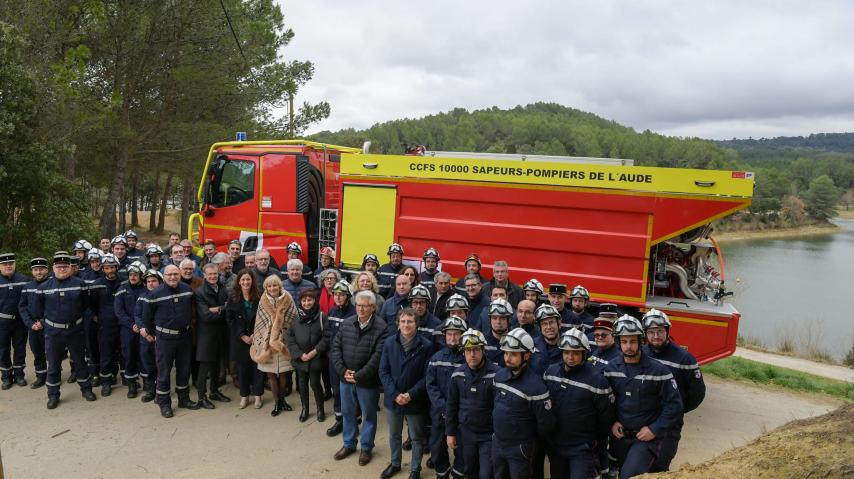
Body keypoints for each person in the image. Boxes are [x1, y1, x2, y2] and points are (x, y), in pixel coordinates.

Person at [604, 315, 683, 478]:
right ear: (618, 343)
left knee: (629, 475)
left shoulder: (659, 372)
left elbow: (674, 406)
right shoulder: (610, 369)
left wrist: (655, 429)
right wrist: (612, 422)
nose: (629, 347)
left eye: (633, 341)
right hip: (620, 437)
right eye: (624, 342)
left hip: (646, 439)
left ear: (641, 341)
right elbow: (605, 401)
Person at [543, 329, 615, 479]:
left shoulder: (597, 381)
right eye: (566, 352)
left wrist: (596, 447)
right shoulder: (551, 372)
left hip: (582, 449)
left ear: (585, 354)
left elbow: (605, 418)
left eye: (575, 353)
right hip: (557, 446)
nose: (570, 357)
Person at [331, 290, 388, 467]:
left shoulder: (381, 327)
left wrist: (359, 375)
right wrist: (343, 371)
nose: (361, 309)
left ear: (373, 307)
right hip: (345, 380)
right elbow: (336, 349)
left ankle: (366, 448)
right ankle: (348, 444)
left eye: (365, 306)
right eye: (358, 305)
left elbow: (378, 357)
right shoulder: (347, 323)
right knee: (348, 413)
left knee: (368, 416)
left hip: (367, 382)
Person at [643, 308, 706, 465]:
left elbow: (697, 394)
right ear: (645, 333)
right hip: (644, 421)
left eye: (660, 331)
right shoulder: (642, 354)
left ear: (667, 331)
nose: (656, 336)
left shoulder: (684, 358)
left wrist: (676, 409)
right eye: (651, 332)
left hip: (669, 426)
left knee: (659, 466)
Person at [34, 252, 97, 408]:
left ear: (70, 267)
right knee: (54, 364)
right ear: (53, 268)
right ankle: (53, 395)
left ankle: (86, 389)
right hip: (53, 332)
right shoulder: (43, 287)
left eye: (65, 266)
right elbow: (39, 309)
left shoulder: (80, 284)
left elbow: (85, 305)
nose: (62, 269)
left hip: (75, 330)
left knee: (80, 361)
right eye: (59, 266)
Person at [492, 328, 554, 479]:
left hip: (520, 448)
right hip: (498, 443)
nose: (507, 358)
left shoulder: (536, 387)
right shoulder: (499, 376)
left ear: (526, 355)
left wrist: (529, 442)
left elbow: (545, 424)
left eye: (513, 354)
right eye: (506, 353)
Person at [140, 264, 200, 418]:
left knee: (184, 369)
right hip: (165, 339)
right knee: (164, 372)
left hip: (184, 336)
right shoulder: (154, 294)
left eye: (175, 274)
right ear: (164, 276)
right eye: (169, 275)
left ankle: (183, 399)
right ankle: (164, 403)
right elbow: (146, 319)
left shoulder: (187, 289)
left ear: (180, 274)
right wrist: (155, 333)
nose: (173, 277)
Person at [379, 307, 433, 479]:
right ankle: (395, 463)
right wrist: (395, 394)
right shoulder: (389, 343)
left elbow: (427, 376)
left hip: (415, 401)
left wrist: (410, 395)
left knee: (417, 437)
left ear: (416, 324)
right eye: (403, 321)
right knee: (394, 435)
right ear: (398, 324)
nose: (406, 324)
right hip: (393, 399)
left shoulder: (426, 346)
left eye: (410, 321)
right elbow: (383, 371)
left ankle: (415, 469)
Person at [446, 328, 498, 479]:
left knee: (487, 474)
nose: (472, 354)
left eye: (476, 349)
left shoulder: (496, 374)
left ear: (483, 350)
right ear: (463, 352)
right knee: (469, 471)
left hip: (489, 436)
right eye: (468, 350)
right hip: (466, 434)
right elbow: (451, 405)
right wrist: (450, 433)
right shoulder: (457, 375)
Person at [426, 316, 468, 479]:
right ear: (444, 336)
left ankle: (458, 473)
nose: (452, 338)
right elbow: (431, 385)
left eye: (456, 334)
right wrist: (444, 408)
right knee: (436, 446)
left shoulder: (468, 359)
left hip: (462, 414)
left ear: (462, 335)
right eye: (449, 334)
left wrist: (456, 410)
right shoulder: (436, 359)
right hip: (439, 413)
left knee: (463, 448)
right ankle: (442, 473)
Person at [252, 274, 297, 415]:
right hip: (268, 344)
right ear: (266, 287)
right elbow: (260, 322)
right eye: (269, 286)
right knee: (271, 375)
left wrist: (282, 331)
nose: (272, 288)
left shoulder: (288, 299)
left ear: (279, 286)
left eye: (275, 285)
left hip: (283, 343)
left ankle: (283, 401)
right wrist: (268, 336)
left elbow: (293, 319)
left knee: (283, 373)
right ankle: (277, 403)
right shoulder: (263, 301)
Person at [226, 269, 265, 409]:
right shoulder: (233, 297)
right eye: (243, 280)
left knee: (258, 368)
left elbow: (264, 317)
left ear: (252, 280)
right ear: (239, 282)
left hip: (257, 338)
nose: (245, 282)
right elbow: (230, 319)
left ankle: (258, 396)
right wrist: (242, 335)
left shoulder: (260, 296)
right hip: (240, 339)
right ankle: (244, 396)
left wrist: (255, 334)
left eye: (248, 279)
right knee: (242, 369)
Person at [288, 289, 328, 422]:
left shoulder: (322, 316)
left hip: (315, 357)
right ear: (300, 302)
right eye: (304, 300)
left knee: (316, 384)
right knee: (302, 385)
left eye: (309, 300)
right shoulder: (296, 318)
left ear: (314, 300)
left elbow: (327, 337)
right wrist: (300, 354)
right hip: (301, 359)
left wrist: (315, 351)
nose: (307, 303)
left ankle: (320, 409)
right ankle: (305, 408)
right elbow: (291, 338)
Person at [194, 263, 231, 409]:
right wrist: (223, 309)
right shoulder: (200, 292)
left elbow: (230, 308)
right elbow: (206, 316)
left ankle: (214, 392)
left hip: (221, 333)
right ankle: (201, 397)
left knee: (217, 365)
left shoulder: (222, 288)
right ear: (204, 275)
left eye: (215, 274)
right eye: (209, 274)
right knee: (205, 367)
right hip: (207, 336)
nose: (213, 276)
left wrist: (218, 309)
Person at [89, 254, 125, 396]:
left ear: (117, 267)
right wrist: (98, 317)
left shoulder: (124, 282)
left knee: (124, 353)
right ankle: (106, 382)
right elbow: (92, 305)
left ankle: (126, 378)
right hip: (105, 325)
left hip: (122, 324)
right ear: (103, 269)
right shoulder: (96, 284)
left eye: (112, 267)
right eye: (107, 268)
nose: (110, 270)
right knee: (106, 354)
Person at [325, 279, 354, 436]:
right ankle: (339, 420)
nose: (338, 297)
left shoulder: (355, 313)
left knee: (350, 393)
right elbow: (329, 335)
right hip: (334, 360)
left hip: (349, 360)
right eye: (336, 294)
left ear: (348, 296)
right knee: (336, 390)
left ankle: (353, 421)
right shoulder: (332, 312)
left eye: (342, 295)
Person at [114, 260, 147, 399]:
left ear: (141, 275)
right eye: (130, 274)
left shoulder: (146, 289)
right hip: (128, 329)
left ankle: (147, 381)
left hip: (144, 328)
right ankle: (132, 383)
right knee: (129, 355)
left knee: (145, 355)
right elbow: (118, 311)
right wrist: (131, 324)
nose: (132, 277)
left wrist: (142, 325)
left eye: (136, 274)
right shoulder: (122, 289)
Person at [18, 257, 50, 389]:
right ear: (32, 271)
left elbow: (55, 308)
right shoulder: (27, 287)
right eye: (36, 270)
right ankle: (41, 377)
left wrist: (43, 322)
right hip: (33, 327)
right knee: (38, 352)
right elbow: (22, 307)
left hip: (49, 326)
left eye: (41, 269)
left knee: (52, 353)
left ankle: (54, 375)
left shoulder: (52, 284)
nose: (39, 272)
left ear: (47, 270)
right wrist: (30, 324)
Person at [0, 252, 29, 389]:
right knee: (3, 349)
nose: (8, 266)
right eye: (5, 264)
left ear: (15, 264)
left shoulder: (24, 279)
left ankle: (19, 375)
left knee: (20, 348)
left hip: (20, 322)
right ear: (0, 266)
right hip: (1, 322)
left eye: (10, 264)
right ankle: (6, 377)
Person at [135, 269, 162, 403]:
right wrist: (143, 330)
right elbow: (138, 315)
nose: (151, 284)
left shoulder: (164, 295)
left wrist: (157, 334)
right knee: (148, 364)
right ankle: (151, 390)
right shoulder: (142, 297)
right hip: (145, 336)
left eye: (154, 281)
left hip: (161, 337)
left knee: (161, 365)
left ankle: (161, 392)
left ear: (160, 281)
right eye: (148, 281)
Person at [532, 304, 563, 375]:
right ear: (540, 327)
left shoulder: (568, 345)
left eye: (551, 322)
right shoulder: (531, 345)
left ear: (559, 323)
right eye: (544, 324)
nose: (548, 327)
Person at [484, 298, 513, 366]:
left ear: (509, 319)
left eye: (502, 318)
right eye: (494, 318)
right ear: (490, 319)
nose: (498, 322)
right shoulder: (482, 341)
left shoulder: (516, 340)